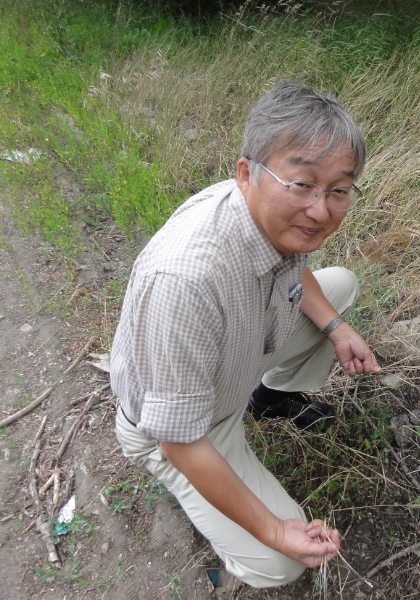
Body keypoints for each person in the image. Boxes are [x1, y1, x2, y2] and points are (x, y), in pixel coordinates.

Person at [110, 82, 381, 590]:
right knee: (280, 562)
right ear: (245, 173)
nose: (320, 210)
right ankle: (207, 507)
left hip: (235, 364)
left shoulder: (271, 211)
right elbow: (179, 440)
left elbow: (292, 266)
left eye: (339, 190)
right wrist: (275, 531)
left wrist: (336, 327)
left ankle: (269, 399)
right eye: (303, 183)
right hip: (186, 430)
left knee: (340, 286)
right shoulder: (184, 281)